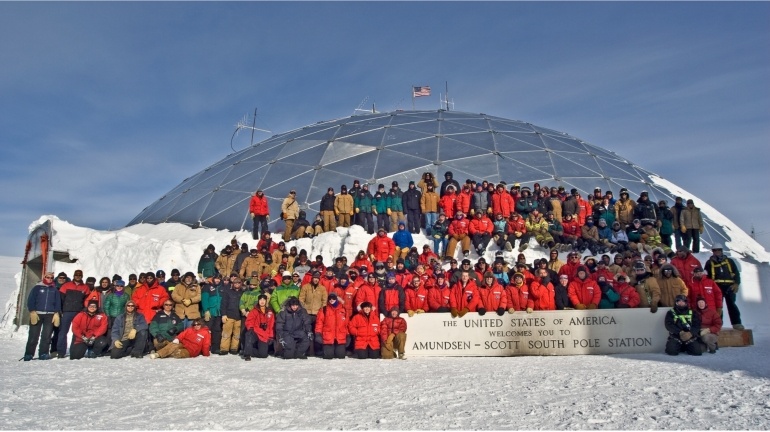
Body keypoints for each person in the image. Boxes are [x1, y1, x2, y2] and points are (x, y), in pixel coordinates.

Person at [704, 243, 743, 330]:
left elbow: (736, 273)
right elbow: (707, 276)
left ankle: (737, 323)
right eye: (715, 250)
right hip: (717, 287)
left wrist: (736, 283)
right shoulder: (709, 263)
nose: (717, 252)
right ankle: (718, 324)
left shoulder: (729, 261)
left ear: (722, 250)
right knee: (718, 307)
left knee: (732, 305)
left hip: (730, 286)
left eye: (719, 250)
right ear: (712, 251)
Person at [23, 272, 61, 361]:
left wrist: (56, 313)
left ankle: (43, 353)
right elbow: (31, 300)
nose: (50, 279)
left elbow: (57, 302)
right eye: (48, 277)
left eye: (51, 278)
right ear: (44, 278)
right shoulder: (37, 288)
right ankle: (29, 354)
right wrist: (32, 311)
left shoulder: (54, 289)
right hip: (37, 314)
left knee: (46, 336)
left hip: (49, 315)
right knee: (33, 335)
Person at [57, 269, 90, 358]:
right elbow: (60, 299)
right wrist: (60, 311)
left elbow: (86, 301)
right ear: (74, 275)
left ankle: (74, 351)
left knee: (77, 332)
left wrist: (84, 310)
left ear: (82, 276)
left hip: (78, 313)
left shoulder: (85, 287)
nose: (78, 276)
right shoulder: (66, 286)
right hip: (67, 312)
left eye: (79, 275)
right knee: (63, 332)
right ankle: (61, 351)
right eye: (76, 275)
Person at [314, 294, 349, 360]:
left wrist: (348, 334)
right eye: (330, 299)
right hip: (328, 336)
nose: (331, 300)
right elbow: (319, 323)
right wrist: (318, 333)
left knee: (341, 356)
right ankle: (325, 350)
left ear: (336, 299)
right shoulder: (324, 310)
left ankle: (338, 349)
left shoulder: (343, 310)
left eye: (333, 298)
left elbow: (346, 324)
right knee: (328, 356)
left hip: (340, 336)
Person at [242, 294, 275, 360]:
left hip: (264, 335)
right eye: (260, 300)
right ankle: (247, 354)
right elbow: (249, 321)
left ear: (266, 301)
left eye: (264, 300)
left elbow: (271, 325)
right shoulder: (254, 311)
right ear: (258, 301)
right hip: (255, 332)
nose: (262, 301)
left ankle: (249, 350)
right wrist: (250, 328)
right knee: (249, 334)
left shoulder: (270, 312)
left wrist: (271, 336)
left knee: (263, 355)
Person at [219, 277, 245, 355]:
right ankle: (224, 348)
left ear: (241, 284)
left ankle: (234, 348)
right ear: (233, 284)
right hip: (229, 316)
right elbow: (223, 304)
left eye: (238, 283)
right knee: (226, 333)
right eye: (235, 283)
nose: (237, 284)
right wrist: (223, 314)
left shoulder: (243, 293)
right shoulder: (228, 292)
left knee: (236, 334)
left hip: (238, 316)